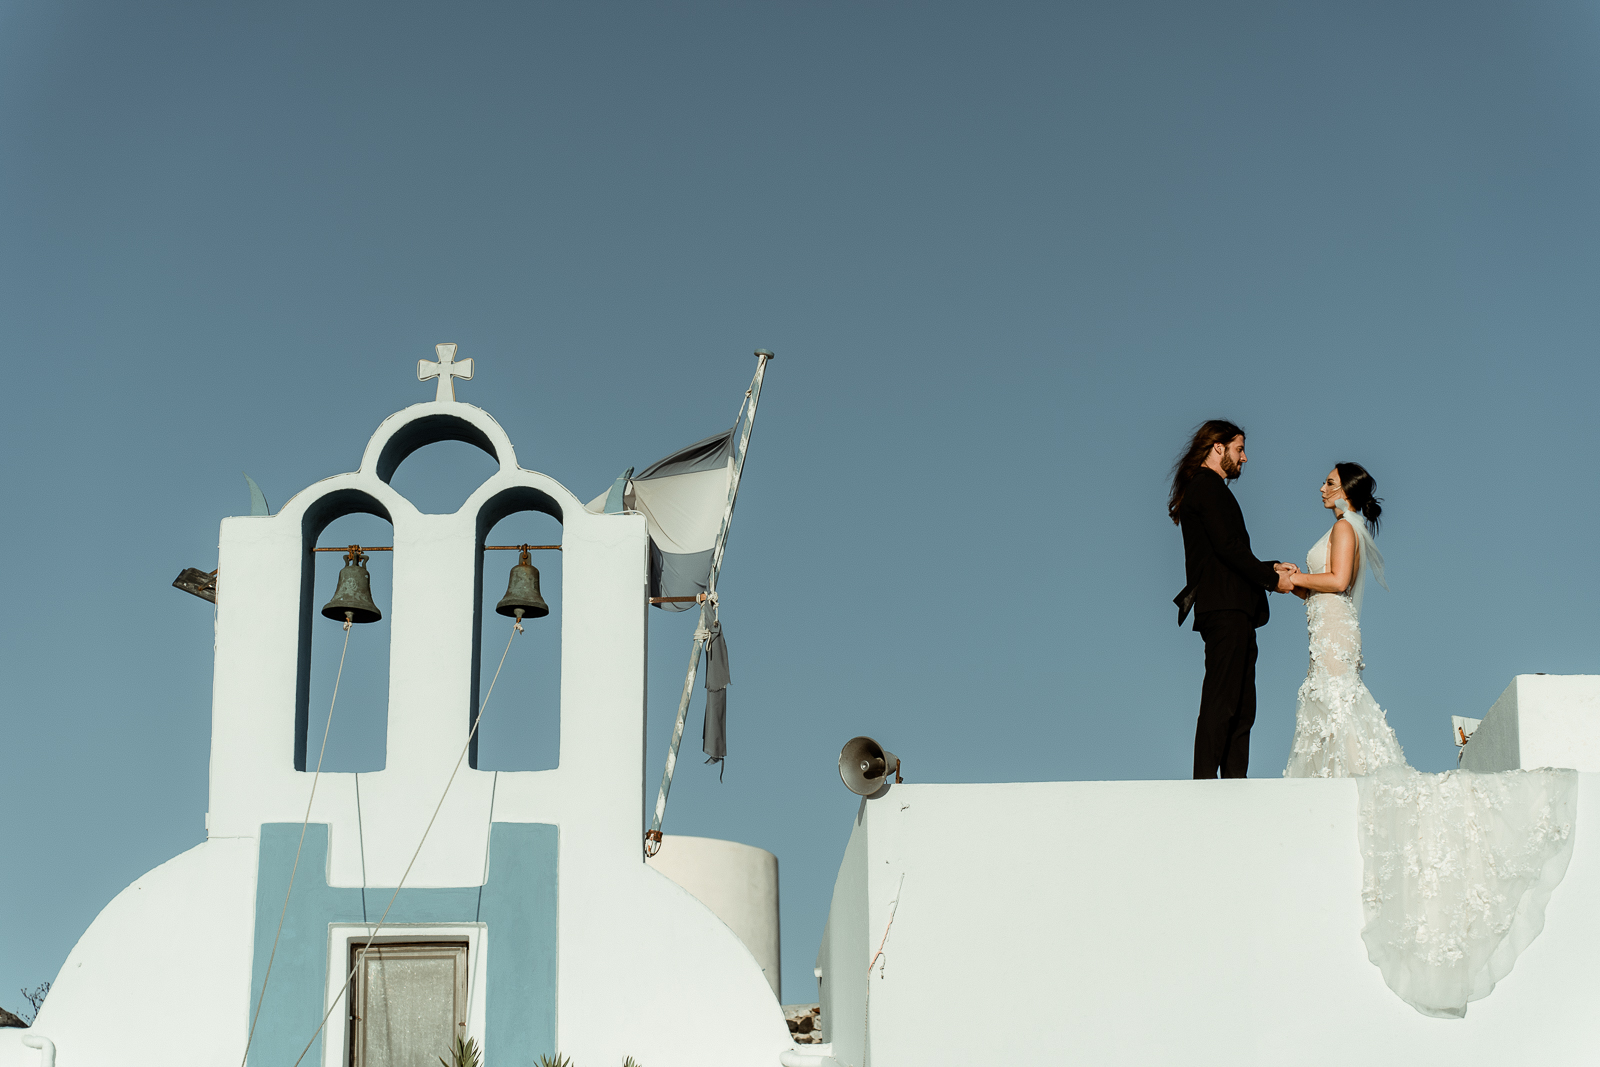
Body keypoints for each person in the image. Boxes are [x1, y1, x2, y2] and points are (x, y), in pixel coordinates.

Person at [1280, 462, 1577, 1019]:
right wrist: (1300, 584)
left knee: (1338, 704)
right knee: (1330, 706)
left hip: (1336, 635)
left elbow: (1339, 582)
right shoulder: (1341, 526)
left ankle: (1357, 780)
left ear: (1346, 490)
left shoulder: (1344, 527)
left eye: (1329, 481)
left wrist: (1294, 578)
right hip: (1328, 628)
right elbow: (1330, 588)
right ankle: (1343, 779)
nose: (1321, 487)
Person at [1169, 420, 1297, 780]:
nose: (1245, 458)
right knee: (1223, 700)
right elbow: (1227, 550)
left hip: (1234, 608)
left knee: (1242, 706)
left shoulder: (1211, 490)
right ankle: (1207, 783)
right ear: (1217, 448)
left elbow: (1230, 551)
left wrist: (1270, 566)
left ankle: (1234, 784)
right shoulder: (1206, 488)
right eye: (1239, 449)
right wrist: (1273, 580)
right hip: (1224, 609)